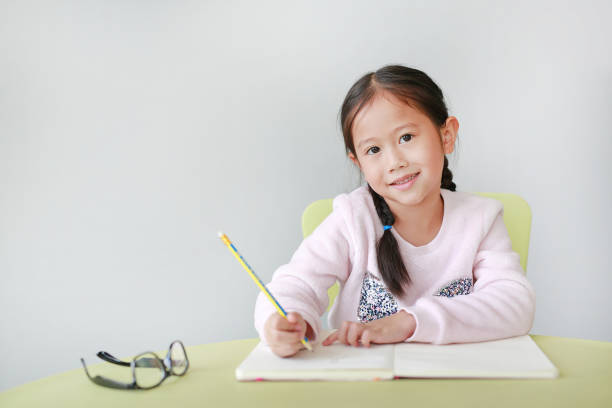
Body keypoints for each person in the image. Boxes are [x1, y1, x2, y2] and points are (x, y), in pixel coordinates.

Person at [254, 64, 536, 358]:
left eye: (406, 138)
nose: (395, 161)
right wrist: (284, 321)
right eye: (374, 150)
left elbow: (514, 302)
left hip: (457, 381)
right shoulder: (352, 218)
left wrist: (409, 322)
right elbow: (296, 283)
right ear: (358, 162)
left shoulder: (481, 218)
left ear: (447, 135)